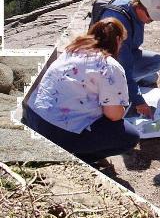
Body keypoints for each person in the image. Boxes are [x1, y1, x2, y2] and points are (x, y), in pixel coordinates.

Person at [24, 18, 140, 164]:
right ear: (117, 40)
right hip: (57, 131)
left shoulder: (72, 50)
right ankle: (78, 159)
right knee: (130, 137)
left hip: (34, 116)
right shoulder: (109, 65)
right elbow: (114, 115)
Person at [101, 0, 160, 118]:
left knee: (156, 63)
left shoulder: (134, 1)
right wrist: (138, 101)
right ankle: (122, 92)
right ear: (139, 8)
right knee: (131, 79)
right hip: (109, 65)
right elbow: (124, 69)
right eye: (150, 18)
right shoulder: (119, 28)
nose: (150, 21)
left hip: (129, 53)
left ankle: (132, 87)